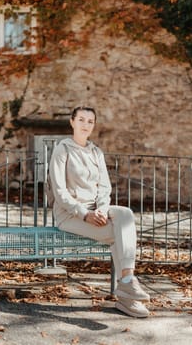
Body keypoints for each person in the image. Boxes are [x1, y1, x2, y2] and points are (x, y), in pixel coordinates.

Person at [49, 106, 150, 318]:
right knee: (120, 234)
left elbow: (105, 187)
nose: (86, 125)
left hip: (96, 210)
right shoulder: (62, 150)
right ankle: (126, 295)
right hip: (69, 215)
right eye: (82, 120)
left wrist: (103, 209)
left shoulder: (96, 152)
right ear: (72, 122)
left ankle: (127, 281)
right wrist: (84, 213)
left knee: (125, 215)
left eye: (90, 121)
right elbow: (59, 192)